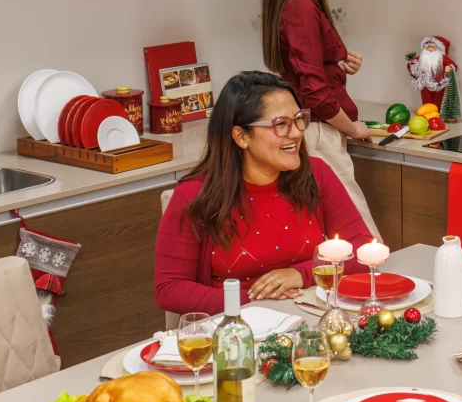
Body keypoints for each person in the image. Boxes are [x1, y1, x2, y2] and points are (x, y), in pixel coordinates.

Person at [154, 71, 373, 315]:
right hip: (236, 331)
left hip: (312, 322)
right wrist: (252, 301)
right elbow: (170, 289)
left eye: (299, 118)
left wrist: (300, 274)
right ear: (241, 136)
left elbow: (362, 248)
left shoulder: (316, 174)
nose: (297, 132)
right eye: (280, 124)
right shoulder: (194, 194)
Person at [261, 0, 381, 238]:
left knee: (334, 244)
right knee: (363, 243)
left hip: (316, 132)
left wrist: (337, 61)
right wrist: (353, 127)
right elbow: (314, 93)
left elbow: (306, 70)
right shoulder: (299, 6)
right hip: (318, 136)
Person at [407, 35, 458, 108]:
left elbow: (454, 66)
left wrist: (449, 69)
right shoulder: (421, 58)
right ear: (425, 48)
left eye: (433, 47)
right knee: (426, 98)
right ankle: (427, 112)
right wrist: (415, 65)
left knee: (438, 98)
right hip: (425, 83)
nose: (430, 49)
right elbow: (410, 65)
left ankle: (437, 113)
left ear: (437, 48)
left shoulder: (442, 58)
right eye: (428, 47)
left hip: (438, 83)